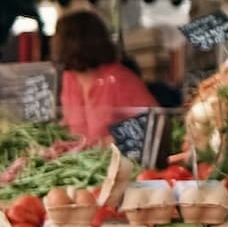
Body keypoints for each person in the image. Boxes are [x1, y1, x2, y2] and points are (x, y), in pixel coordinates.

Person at [55, 9, 155, 143]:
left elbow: (153, 122)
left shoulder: (119, 79)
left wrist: (109, 142)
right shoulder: (70, 78)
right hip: (80, 155)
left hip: (116, 155)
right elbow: (69, 122)